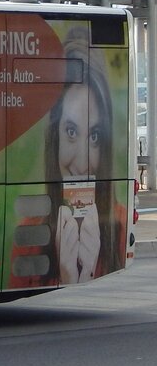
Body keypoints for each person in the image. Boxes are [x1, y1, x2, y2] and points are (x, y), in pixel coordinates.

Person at [45, 27, 120, 284]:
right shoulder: (29, 232)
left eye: (95, 136)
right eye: (71, 131)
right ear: (54, 137)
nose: (82, 162)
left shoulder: (118, 225)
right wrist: (66, 275)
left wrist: (83, 274)